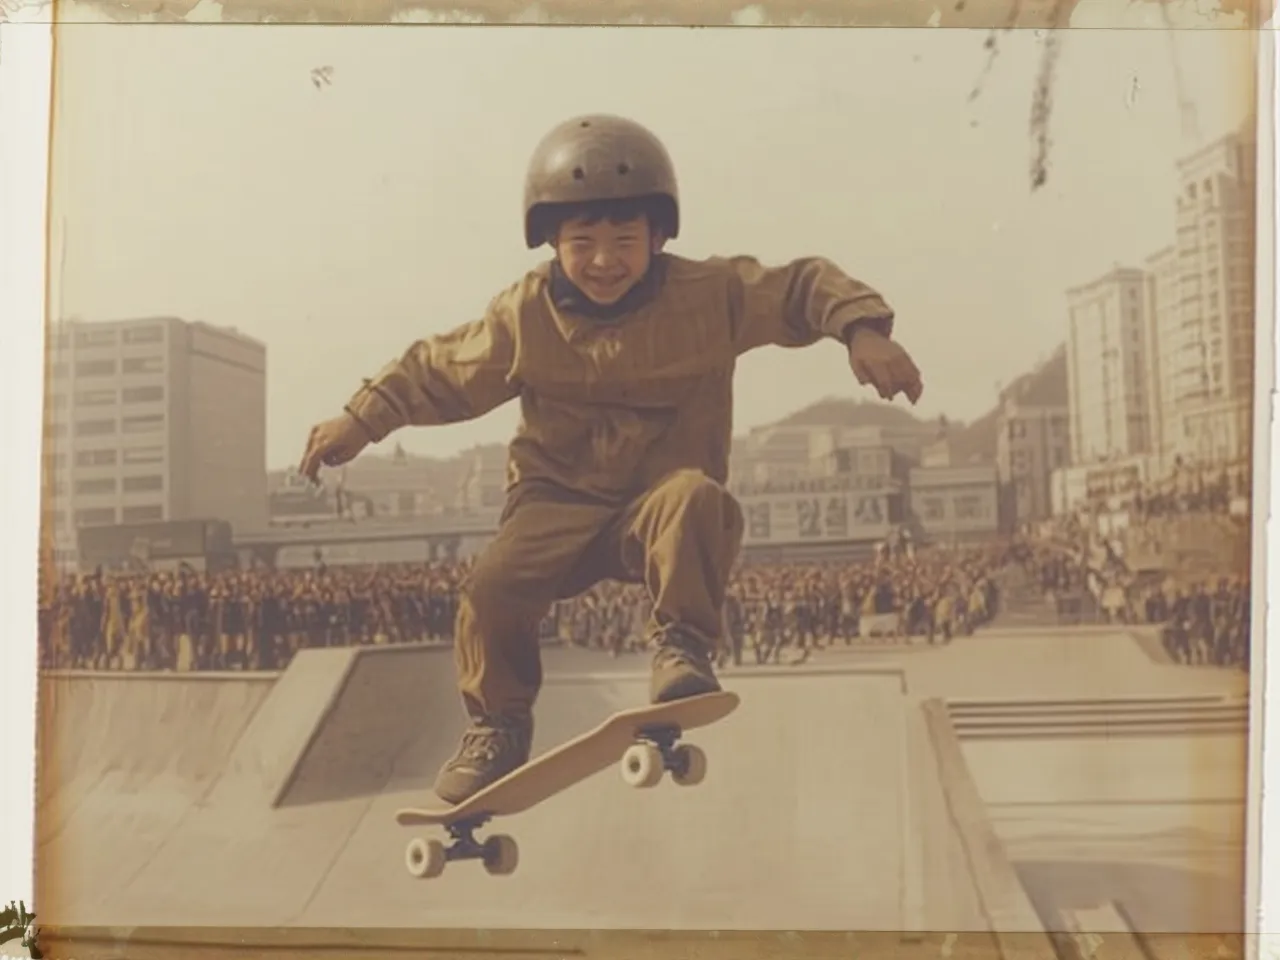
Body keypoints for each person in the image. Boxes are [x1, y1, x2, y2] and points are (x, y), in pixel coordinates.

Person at [299, 113, 924, 804]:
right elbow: (441, 369)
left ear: (657, 237)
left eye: (625, 241)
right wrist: (361, 418)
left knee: (697, 499)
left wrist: (861, 330)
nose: (604, 261)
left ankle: (681, 646)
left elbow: (801, 285)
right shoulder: (524, 314)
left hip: (656, 504)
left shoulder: (712, 295)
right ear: (551, 243)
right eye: (583, 243)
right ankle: (498, 726)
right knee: (490, 590)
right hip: (554, 503)